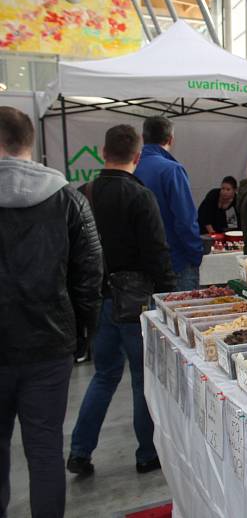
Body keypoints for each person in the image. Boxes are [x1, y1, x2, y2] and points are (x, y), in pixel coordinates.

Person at [0, 107, 103, 518]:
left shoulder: (70, 199)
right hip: (50, 346)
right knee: (44, 451)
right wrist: (80, 335)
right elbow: (90, 275)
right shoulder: (68, 199)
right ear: (31, 144)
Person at [67, 124, 176, 478]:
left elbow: (75, 256)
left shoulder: (85, 193)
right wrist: (169, 296)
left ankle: (80, 450)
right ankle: (146, 454)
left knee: (104, 376)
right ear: (137, 156)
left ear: (102, 152)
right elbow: (157, 253)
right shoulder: (140, 197)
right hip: (136, 303)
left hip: (100, 301)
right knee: (142, 378)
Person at [134, 116, 203, 291]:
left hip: (140, 263)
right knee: (182, 315)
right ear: (170, 139)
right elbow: (185, 220)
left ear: (143, 137)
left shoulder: (132, 168)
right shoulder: (172, 170)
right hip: (176, 261)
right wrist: (195, 254)